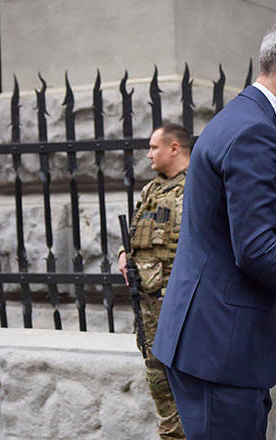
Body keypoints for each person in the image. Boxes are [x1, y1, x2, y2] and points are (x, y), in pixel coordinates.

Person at [150, 12, 276, 440]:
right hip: (220, 351)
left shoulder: (248, 118)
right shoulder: (255, 131)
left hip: (212, 345)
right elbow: (256, 249)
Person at [117, 122, 191, 440]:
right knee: (157, 379)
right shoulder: (152, 190)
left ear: (174, 148)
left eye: (154, 147)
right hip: (148, 304)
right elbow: (137, 231)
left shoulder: (197, 187)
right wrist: (124, 254)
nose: (148, 155)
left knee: (185, 381)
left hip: (178, 302)